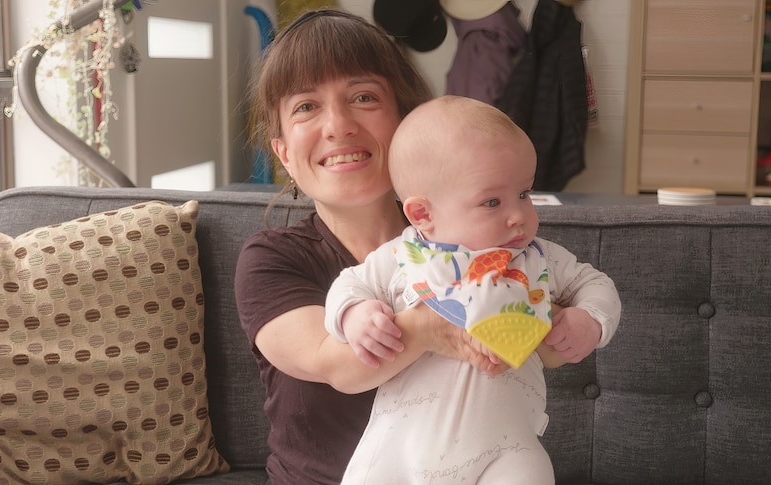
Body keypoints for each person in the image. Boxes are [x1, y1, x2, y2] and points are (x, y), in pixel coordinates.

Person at [235, 9, 608, 484]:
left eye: (364, 96)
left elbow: (551, 346)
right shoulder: (272, 260)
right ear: (284, 153)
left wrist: (562, 326)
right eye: (306, 106)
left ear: (406, 123)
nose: (338, 125)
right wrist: (440, 322)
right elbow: (339, 364)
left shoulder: (493, 236)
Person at [324, 95, 621, 484]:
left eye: (524, 194)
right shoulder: (401, 259)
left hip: (504, 451)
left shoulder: (537, 260)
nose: (518, 215)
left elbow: (596, 283)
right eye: (492, 202)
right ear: (422, 214)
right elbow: (348, 285)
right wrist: (354, 315)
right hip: (398, 449)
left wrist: (590, 320)